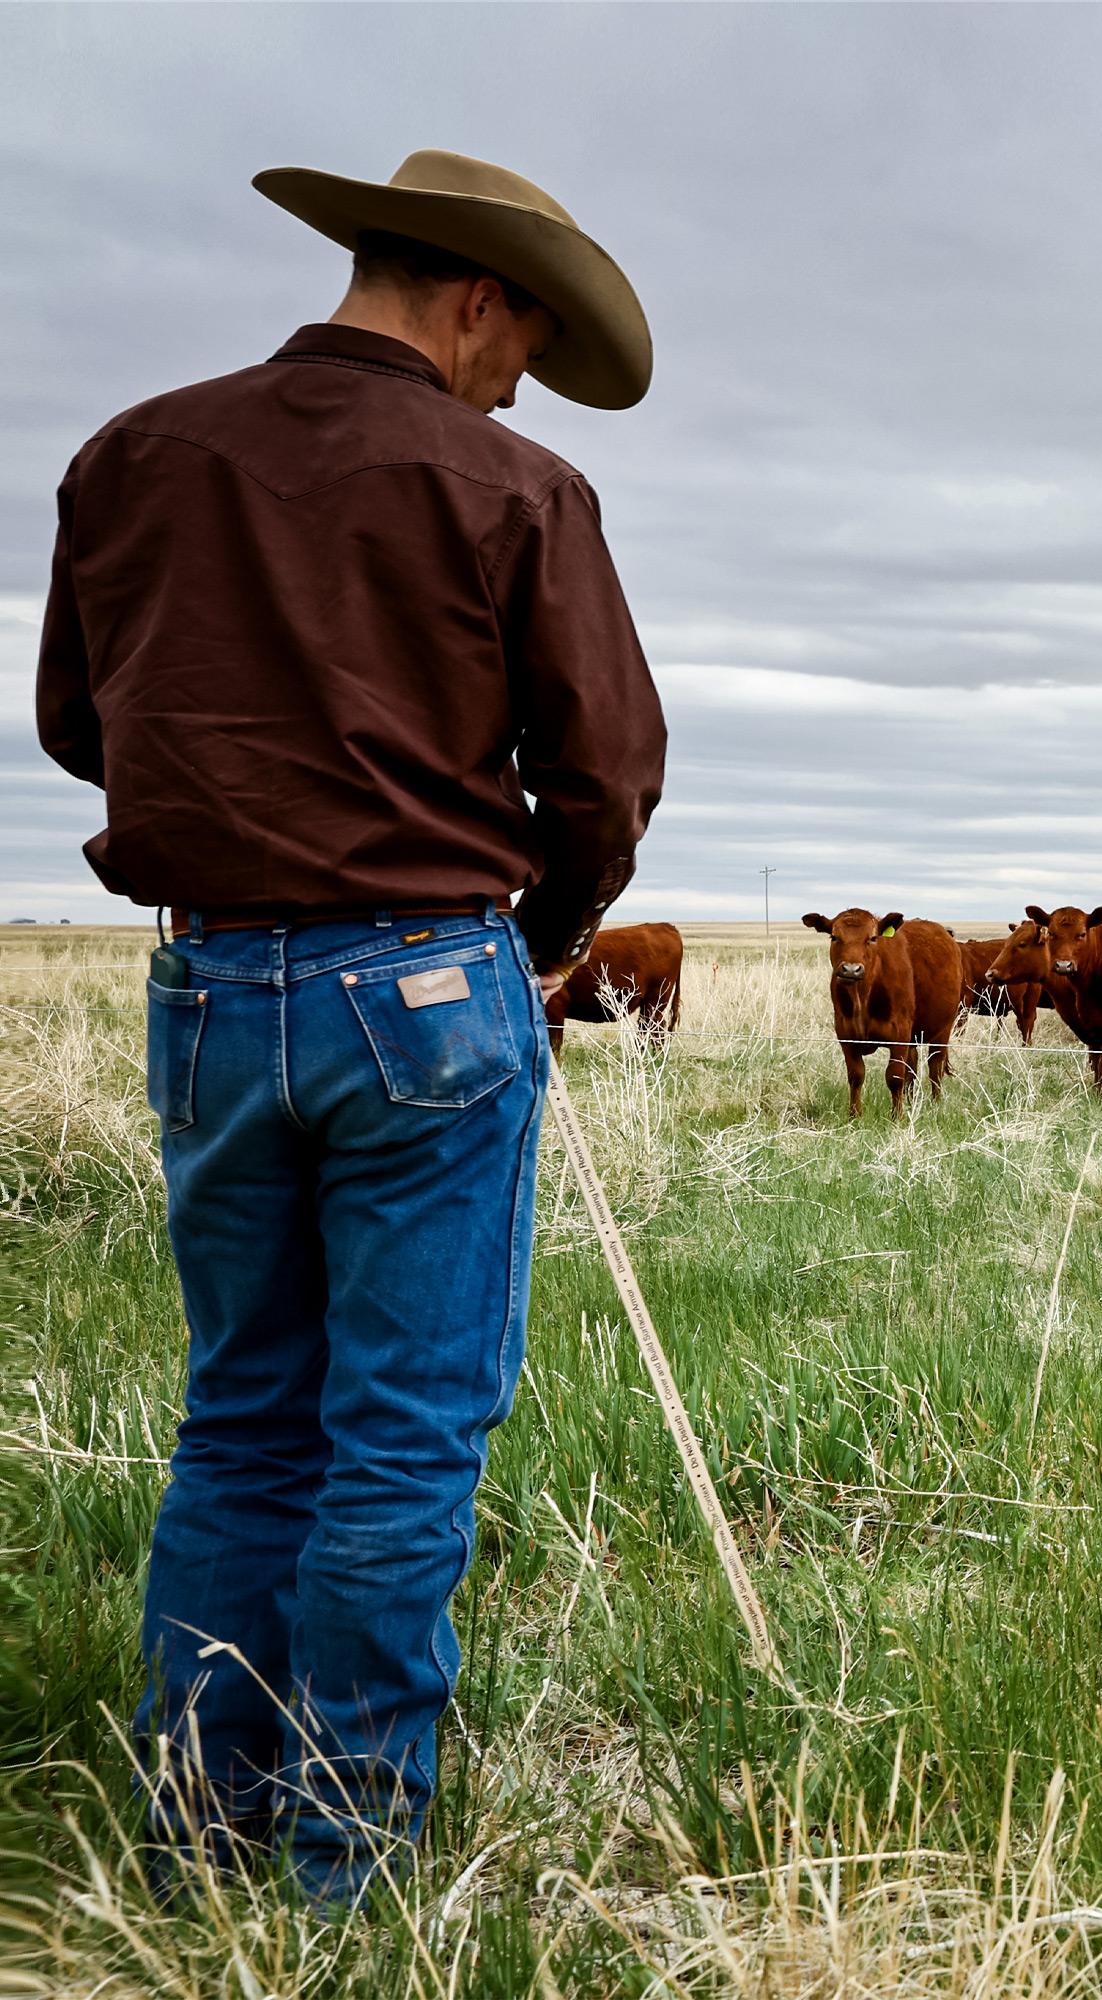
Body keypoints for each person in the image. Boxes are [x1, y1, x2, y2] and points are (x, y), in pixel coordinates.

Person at [35, 148, 667, 1910]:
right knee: (399, 1433)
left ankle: (191, 1831)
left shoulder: (133, 454)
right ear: (475, 296)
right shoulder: (517, 485)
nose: (517, 381)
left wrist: (248, 787)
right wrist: (530, 935)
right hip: (428, 987)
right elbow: (602, 769)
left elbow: (86, 725)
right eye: (522, 343)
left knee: (242, 1415)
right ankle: (345, 1870)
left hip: (214, 986)